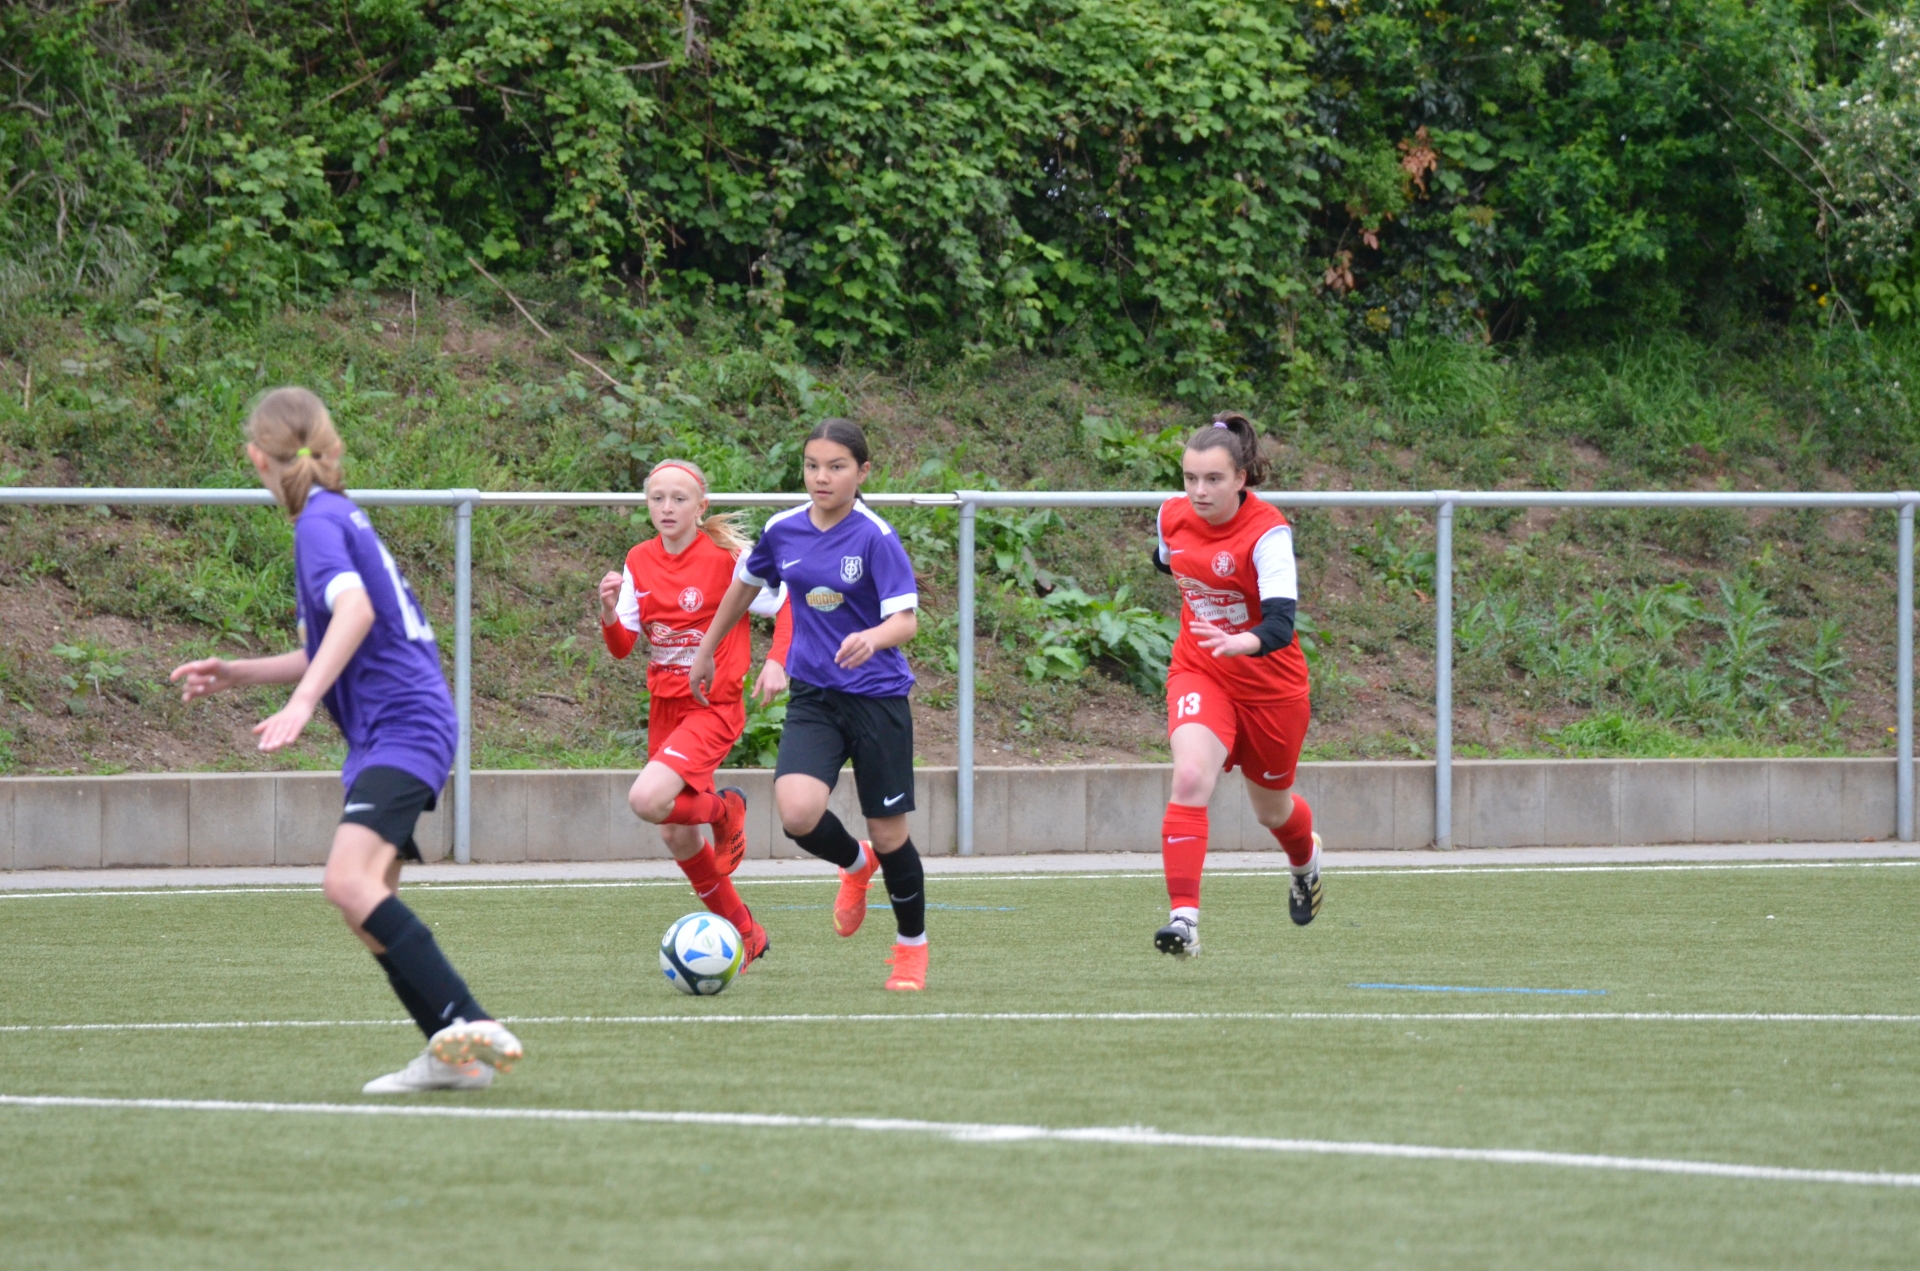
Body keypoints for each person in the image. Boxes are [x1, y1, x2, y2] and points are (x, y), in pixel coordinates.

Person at [170, 387, 523, 1093]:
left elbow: (356, 612)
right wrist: (237, 673)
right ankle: (452, 1059)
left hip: (404, 724)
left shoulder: (318, 524)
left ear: (256, 458)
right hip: (395, 727)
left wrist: (303, 702)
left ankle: (470, 1018)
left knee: (345, 881)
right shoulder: (336, 516)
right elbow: (325, 645)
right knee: (368, 909)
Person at [687, 418, 928, 990]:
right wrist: (706, 649)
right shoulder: (783, 529)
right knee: (797, 814)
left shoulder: (875, 537)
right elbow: (745, 585)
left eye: (836, 467)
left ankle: (910, 948)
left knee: (890, 833)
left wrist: (873, 638)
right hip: (815, 697)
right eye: (813, 465)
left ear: (862, 472)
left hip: (877, 698)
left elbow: (906, 620)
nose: (822, 477)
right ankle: (855, 865)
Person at [598, 457, 791, 968]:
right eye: (657, 498)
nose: (667, 507)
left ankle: (726, 810)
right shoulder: (638, 559)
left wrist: (777, 660)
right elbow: (622, 646)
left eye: (679, 499)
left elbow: (788, 603)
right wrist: (608, 611)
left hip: (713, 705)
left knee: (646, 799)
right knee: (675, 831)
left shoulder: (729, 557)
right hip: (666, 707)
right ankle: (747, 933)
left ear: (701, 506)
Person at [1149, 411, 1321, 957]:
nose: (1199, 491)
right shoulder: (1171, 515)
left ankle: (1305, 863)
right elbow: (1167, 561)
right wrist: (1213, 633)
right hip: (1201, 671)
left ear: (1241, 478)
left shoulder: (1268, 532)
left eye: (1213, 479)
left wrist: (1241, 640)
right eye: (1190, 478)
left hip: (1272, 689)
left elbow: (1280, 624)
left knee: (1272, 812)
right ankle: (1184, 921)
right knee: (1190, 777)